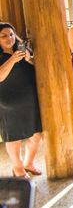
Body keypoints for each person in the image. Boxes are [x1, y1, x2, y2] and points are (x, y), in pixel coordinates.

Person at [0, 23, 42, 178]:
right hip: (9, 101)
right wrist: (12, 59)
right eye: (3, 36)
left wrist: (29, 59)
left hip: (29, 98)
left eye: (11, 34)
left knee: (36, 134)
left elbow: (35, 67)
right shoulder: (6, 56)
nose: (9, 38)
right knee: (14, 136)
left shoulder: (21, 50)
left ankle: (28, 163)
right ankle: (17, 167)